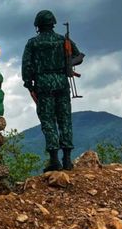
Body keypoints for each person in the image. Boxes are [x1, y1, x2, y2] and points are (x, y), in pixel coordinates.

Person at [21, 10, 83, 172]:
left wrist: (29, 85)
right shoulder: (63, 40)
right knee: (65, 119)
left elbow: (26, 66)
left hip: (43, 85)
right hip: (62, 83)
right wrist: (67, 64)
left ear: (38, 26)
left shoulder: (33, 43)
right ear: (53, 24)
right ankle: (67, 160)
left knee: (48, 121)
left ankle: (54, 160)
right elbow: (79, 56)